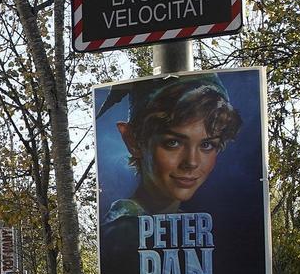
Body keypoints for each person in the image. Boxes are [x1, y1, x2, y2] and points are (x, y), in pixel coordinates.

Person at [100, 74, 242, 221]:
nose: (191, 162)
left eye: (206, 145)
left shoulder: (185, 223)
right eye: (173, 143)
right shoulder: (121, 230)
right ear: (132, 140)